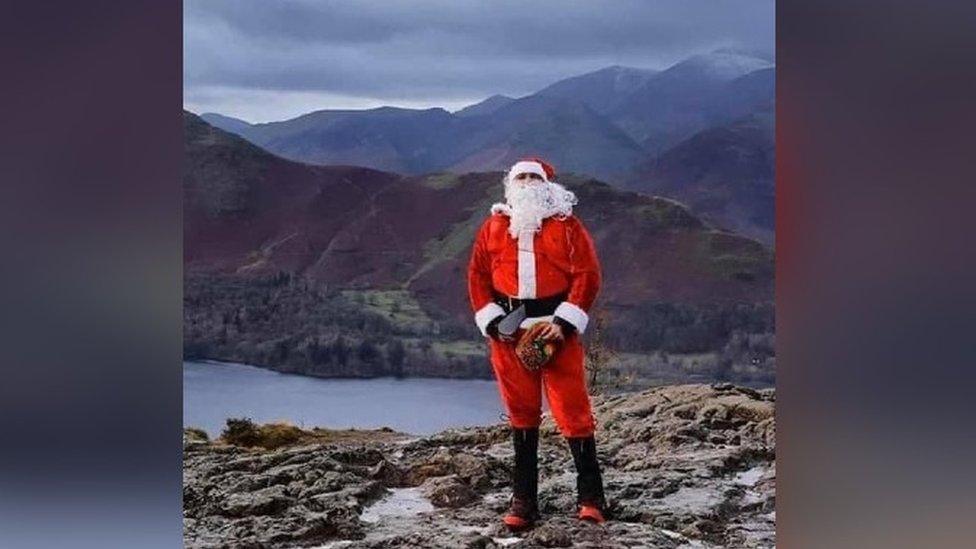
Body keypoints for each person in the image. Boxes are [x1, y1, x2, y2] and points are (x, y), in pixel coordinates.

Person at [467, 157, 606, 530]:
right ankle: (524, 501)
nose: (528, 182)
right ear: (510, 185)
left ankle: (591, 497)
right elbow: (478, 277)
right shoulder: (493, 227)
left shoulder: (568, 226)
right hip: (508, 332)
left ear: (547, 185)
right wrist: (492, 321)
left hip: (554, 330)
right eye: (521, 177)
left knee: (573, 410)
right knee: (521, 413)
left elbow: (587, 276)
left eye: (534, 177)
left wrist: (563, 323)